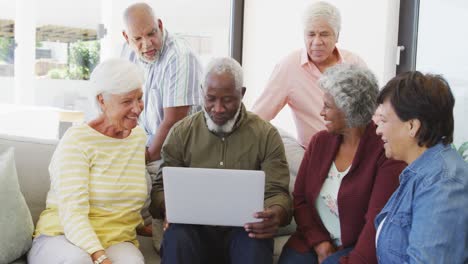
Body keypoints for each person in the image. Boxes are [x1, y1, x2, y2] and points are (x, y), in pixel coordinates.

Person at [150, 57, 292, 264]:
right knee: (177, 234)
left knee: (254, 243)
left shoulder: (266, 135)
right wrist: (168, 208)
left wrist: (274, 214)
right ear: (201, 91)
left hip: (244, 231)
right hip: (193, 231)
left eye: (227, 100)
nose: (217, 108)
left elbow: (278, 193)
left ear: (242, 94)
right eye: (210, 99)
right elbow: (159, 189)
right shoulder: (181, 133)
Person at [279, 64, 406, 264]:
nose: (321, 112)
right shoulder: (319, 142)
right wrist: (319, 242)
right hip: (313, 240)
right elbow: (301, 198)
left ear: (349, 110)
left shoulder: (385, 153)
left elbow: (375, 225)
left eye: (327, 106)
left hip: (355, 248)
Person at [27, 59, 147, 264]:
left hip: (115, 239)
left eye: (140, 98)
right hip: (62, 235)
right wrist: (99, 257)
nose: (137, 108)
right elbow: (72, 213)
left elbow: (126, 195)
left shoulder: (137, 137)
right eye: (127, 101)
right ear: (102, 100)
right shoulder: (77, 141)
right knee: (79, 261)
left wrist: (146, 224)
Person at [121, 2, 203, 239]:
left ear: (160, 25)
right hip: (145, 141)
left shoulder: (180, 56)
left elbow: (172, 124)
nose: (146, 44)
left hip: (179, 148)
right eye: (137, 38)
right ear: (126, 37)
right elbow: (122, 106)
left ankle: (152, 226)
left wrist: (141, 158)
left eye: (151, 34)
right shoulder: (127, 52)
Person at [374, 71, 468, 263]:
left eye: (383, 121)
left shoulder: (443, 182)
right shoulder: (423, 171)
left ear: (412, 126)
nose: (378, 130)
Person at [252, 1, 365, 147]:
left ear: (337, 36)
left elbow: (373, 114)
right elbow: (258, 116)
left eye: (324, 34)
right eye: (311, 34)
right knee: (277, 139)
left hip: (352, 151)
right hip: (313, 154)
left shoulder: (354, 63)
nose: (316, 42)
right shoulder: (289, 66)